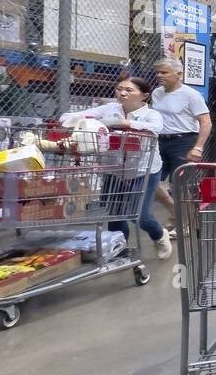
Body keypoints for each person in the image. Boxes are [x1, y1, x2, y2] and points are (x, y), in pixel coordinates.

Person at [61, 77, 168, 257]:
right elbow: (75, 116)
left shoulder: (151, 115)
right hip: (115, 169)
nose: (122, 93)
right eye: (119, 89)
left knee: (141, 216)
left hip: (142, 170)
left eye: (129, 90)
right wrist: (73, 121)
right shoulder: (110, 109)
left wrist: (126, 123)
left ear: (144, 95)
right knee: (115, 214)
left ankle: (159, 235)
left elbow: (156, 127)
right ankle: (119, 248)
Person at [150, 59, 211, 229]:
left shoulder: (191, 95)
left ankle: (186, 224)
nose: (159, 75)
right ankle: (178, 215)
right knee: (151, 181)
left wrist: (198, 147)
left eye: (164, 72)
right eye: (158, 72)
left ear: (178, 74)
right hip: (160, 142)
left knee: (181, 187)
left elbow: (206, 122)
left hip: (183, 142)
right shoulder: (156, 93)